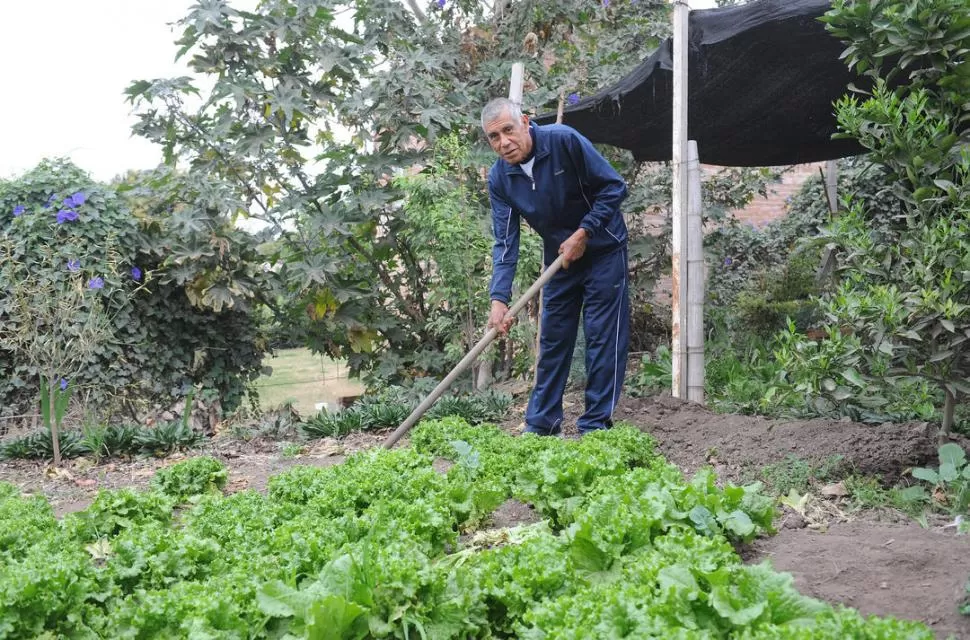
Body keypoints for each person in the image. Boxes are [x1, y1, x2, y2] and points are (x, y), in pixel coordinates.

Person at [481, 97, 630, 436]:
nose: (504, 142)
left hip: (603, 248)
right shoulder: (500, 179)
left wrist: (585, 232)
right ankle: (542, 425)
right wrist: (498, 299)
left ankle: (595, 426)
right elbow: (505, 242)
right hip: (560, 261)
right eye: (494, 137)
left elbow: (614, 187)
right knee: (553, 339)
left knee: (601, 337)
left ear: (526, 122)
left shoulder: (564, 141)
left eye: (508, 130)